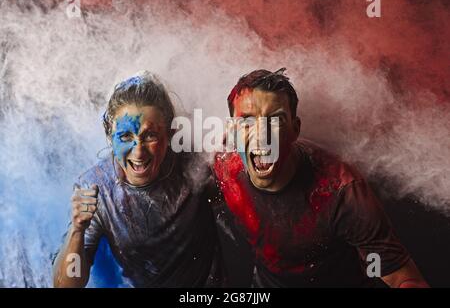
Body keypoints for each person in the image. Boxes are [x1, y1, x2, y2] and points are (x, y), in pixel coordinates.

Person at [213, 68, 429, 287]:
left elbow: (402, 277)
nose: (262, 136)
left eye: (275, 120)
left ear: (295, 129)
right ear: (232, 131)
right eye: (247, 121)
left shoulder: (340, 191)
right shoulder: (223, 166)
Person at [53, 71, 223, 287]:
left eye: (150, 136)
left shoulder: (195, 167)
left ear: (169, 135)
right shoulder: (97, 188)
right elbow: (65, 285)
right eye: (125, 137)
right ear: (110, 137)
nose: (139, 152)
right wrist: (77, 230)